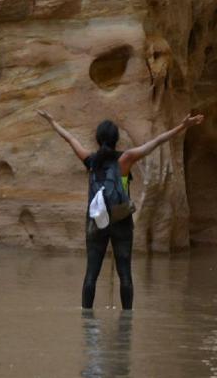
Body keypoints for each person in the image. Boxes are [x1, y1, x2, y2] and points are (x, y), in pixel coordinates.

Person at [36, 109, 205, 310]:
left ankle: (87, 325)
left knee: (91, 274)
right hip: (121, 218)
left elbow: (70, 138)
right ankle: (126, 324)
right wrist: (182, 127)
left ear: (98, 139)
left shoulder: (90, 160)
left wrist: (52, 121)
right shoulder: (126, 159)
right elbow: (157, 141)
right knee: (125, 274)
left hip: (96, 220)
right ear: (116, 139)